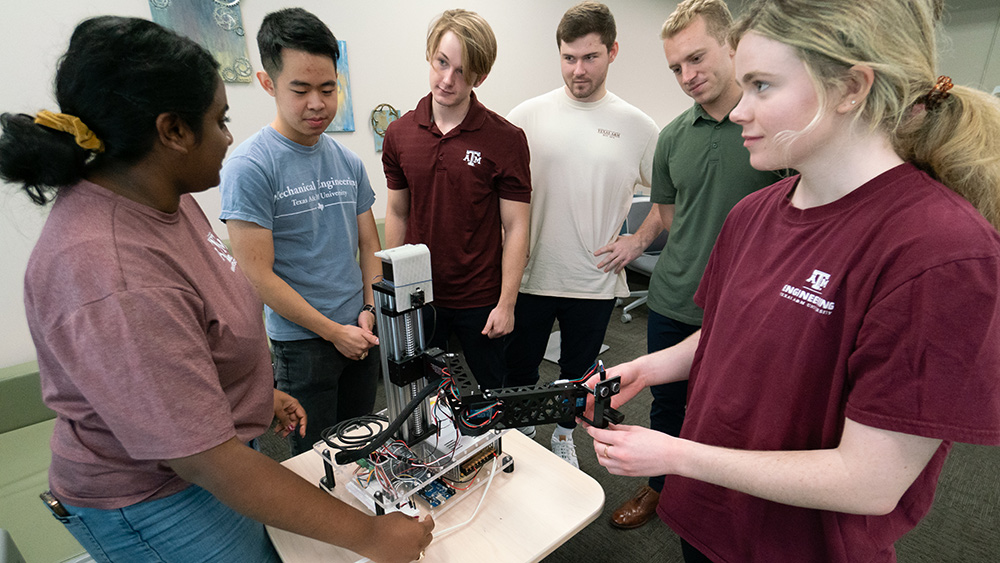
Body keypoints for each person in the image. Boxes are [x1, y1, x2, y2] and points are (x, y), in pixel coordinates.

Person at [0, 16, 431, 563]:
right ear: (172, 131)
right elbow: (207, 459)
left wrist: (244, 392)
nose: (229, 136)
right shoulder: (111, 270)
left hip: (208, 448)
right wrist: (372, 537)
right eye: (219, 120)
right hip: (158, 498)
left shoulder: (166, 200)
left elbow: (187, 342)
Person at [584, 0, 1000, 561]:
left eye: (761, 85)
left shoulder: (940, 251)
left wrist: (677, 456)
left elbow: (870, 481)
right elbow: (729, 334)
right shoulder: (754, 213)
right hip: (709, 520)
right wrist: (648, 365)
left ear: (850, 87)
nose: (737, 110)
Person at [609, 0, 780, 529]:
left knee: (738, 414)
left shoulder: (771, 127)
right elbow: (668, 215)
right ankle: (660, 489)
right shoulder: (673, 137)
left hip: (749, 306)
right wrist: (637, 243)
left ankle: (722, 501)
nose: (687, 76)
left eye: (697, 58)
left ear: (732, 47)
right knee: (667, 407)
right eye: (675, 67)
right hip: (675, 297)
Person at [220, 8, 382, 456]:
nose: (318, 103)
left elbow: (370, 246)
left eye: (328, 88)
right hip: (303, 343)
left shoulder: (348, 162)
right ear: (268, 83)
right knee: (317, 459)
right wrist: (332, 331)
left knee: (363, 444)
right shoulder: (251, 167)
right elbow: (258, 275)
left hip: (360, 328)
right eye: (301, 89)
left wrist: (368, 309)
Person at [504, 1, 659, 468]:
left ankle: (564, 435)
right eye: (569, 58)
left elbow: (671, 197)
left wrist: (637, 241)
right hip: (531, 274)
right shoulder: (525, 117)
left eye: (590, 57)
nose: (578, 69)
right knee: (520, 369)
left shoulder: (638, 127)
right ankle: (523, 426)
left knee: (579, 374)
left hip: (593, 279)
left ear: (613, 52)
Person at [382, 9, 531, 391]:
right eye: (441, 63)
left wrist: (507, 303)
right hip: (419, 295)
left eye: (462, 71)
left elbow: (516, 227)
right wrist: (391, 290)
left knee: (487, 397)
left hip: (480, 298)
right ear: (430, 56)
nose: (447, 80)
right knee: (422, 395)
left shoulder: (506, 138)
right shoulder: (399, 134)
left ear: (480, 76)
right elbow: (397, 213)